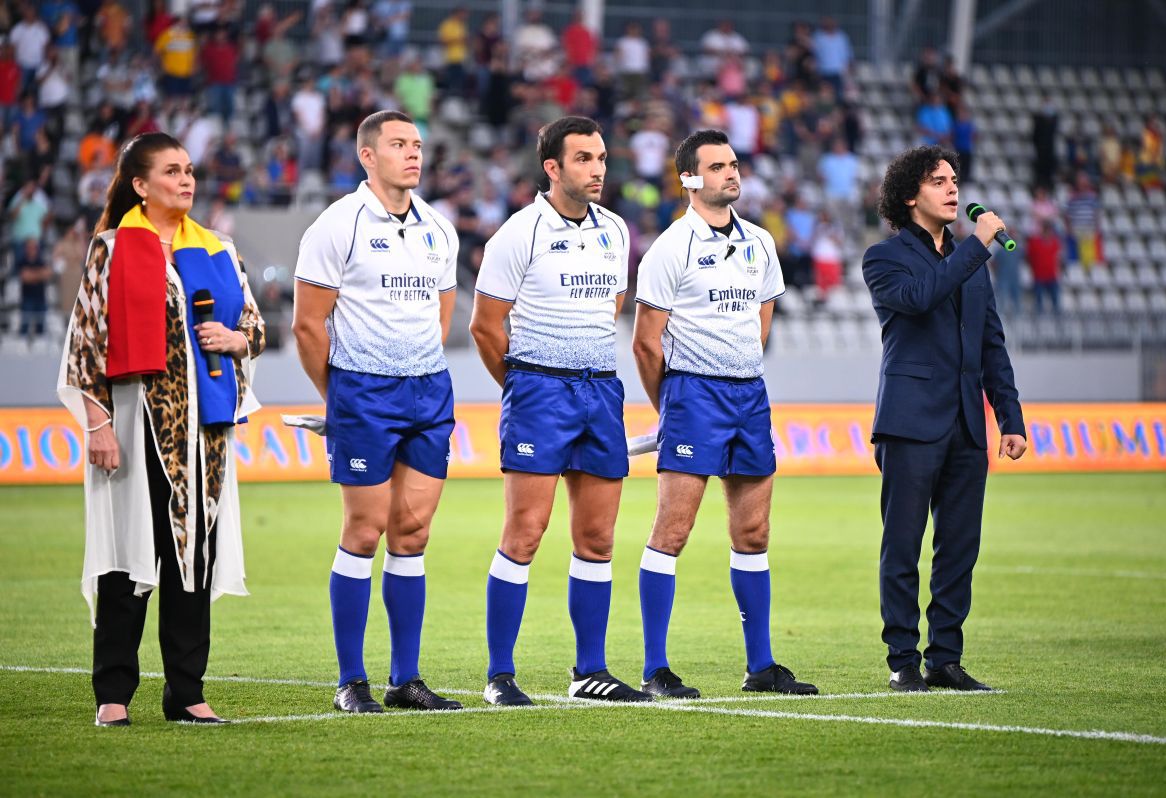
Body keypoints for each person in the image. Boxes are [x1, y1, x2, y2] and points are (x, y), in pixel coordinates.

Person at [57, 132, 266, 726]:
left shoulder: (219, 248)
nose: (187, 180)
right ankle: (114, 693)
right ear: (140, 185)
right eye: (172, 171)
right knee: (129, 557)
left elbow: (253, 326)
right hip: (134, 421)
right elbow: (84, 343)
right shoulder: (112, 248)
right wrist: (98, 423)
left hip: (206, 434)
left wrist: (238, 339)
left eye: (190, 170)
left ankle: (187, 690)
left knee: (192, 558)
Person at [631, 129, 816, 699]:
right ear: (689, 179)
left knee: (754, 532)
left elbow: (763, 319)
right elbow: (645, 343)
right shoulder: (670, 248)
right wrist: (673, 408)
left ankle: (760, 666)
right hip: (693, 397)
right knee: (674, 530)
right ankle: (656, 668)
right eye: (717, 166)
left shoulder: (761, 242)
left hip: (748, 396)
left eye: (734, 164)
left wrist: (739, 369)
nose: (731, 173)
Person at [470, 116, 647, 706]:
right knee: (525, 532)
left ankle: (589, 671)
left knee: (597, 538)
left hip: (600, 392)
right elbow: (484, 326)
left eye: (601, 157)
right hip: (539, 393)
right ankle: (499, 675)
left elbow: (609, 309)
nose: (597, 169)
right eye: (583, 159)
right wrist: (521, 386)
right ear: (553, 168)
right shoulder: (519, 234)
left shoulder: (616, 231)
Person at [292, 111, 462, 714]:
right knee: (364, 530)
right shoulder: (337, 225)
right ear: (368, 156)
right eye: (398, 145)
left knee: (412, 533)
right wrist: (337, 397)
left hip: (427, 391)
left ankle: (405, 678)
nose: (413, 154)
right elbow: (308, 325)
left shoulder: (440, 229)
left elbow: (440, 319)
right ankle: (351, 679)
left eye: (417, 144)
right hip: (363, 394)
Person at [862, 146, 1026, 693]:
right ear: (911, 196)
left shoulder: (970, 259)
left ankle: (946, 657)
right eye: (939, 181)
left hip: (964, 425)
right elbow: (921, 297)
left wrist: (1012, 419)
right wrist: (976, 248)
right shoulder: (884, 258)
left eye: (955, 179)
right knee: (903, 544)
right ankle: (903, 659)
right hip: (909, 422)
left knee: (960, 547)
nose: (953, 189)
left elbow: (991, 344)